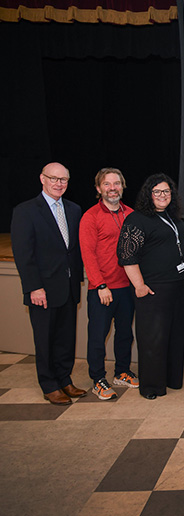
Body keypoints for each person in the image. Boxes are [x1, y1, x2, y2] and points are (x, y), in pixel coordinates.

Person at [11, 162, 86, 405]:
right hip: (42, 289)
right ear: (42, 179)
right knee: (44, 339)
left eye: (63, 179)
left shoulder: (74, 210)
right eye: (53, 178)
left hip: (69, 287)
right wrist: (34, 287)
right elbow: (24, 254)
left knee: (66, 338)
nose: (58, 183)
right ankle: (49, 384)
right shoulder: (26, 211)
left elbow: (73, 251)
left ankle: (65, 379)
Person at [117, 174, 184, 400]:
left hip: (176, 287)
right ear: (148, 195)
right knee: (153, 339)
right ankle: (151, 386)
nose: (162, 196)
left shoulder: (174, 218)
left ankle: (171, 380)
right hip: (152, 289)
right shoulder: (137, 219)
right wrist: (139, 285)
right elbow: (127, 255)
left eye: (166, 191)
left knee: (175, 335)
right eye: (157, 192)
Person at [79, 168, 137, 400]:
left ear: (122, 186)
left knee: (124, 333)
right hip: (102, 289)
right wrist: (100, 285)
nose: (112, 188)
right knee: (98, 335)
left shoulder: (132, 214)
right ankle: (98, 379)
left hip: (127, 287)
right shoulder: (90, 217)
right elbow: (88, 254)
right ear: (98, 188)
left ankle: (121, 372)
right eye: (107, 184)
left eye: (116, 183)